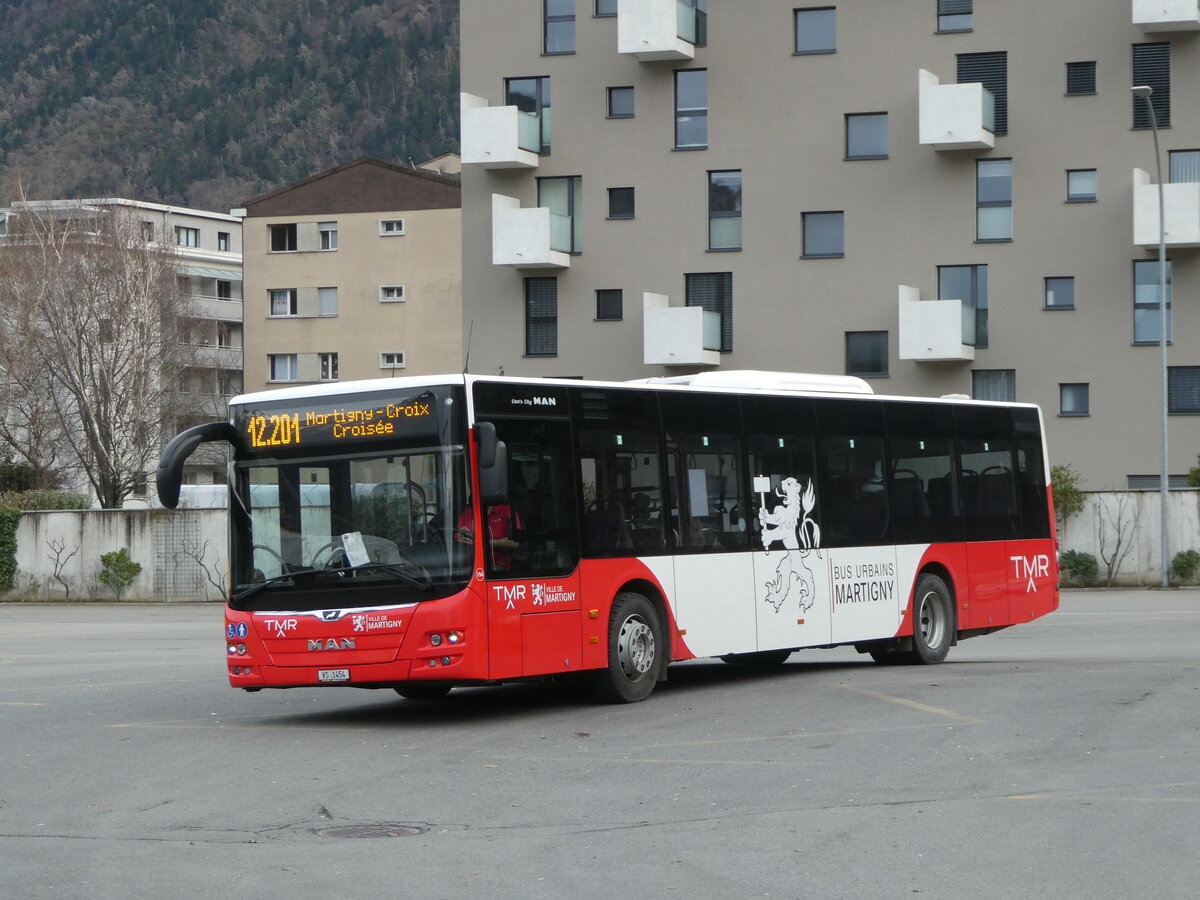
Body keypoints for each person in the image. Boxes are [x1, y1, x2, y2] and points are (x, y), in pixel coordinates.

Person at [457, 498, 521, 568]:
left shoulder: (507, 510)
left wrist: (482, 543)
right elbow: (457, 540)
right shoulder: (467, 514)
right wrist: (463, 538)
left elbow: (515, 542)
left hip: (501, 568)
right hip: (472, 565)